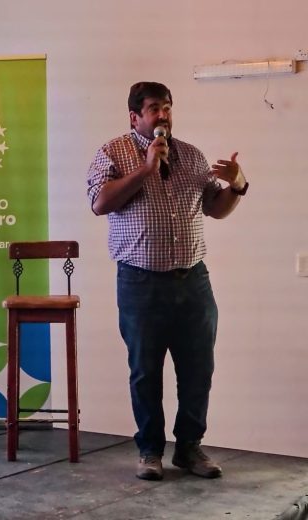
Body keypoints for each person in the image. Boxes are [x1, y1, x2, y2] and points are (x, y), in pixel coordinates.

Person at [86, 82, 248, 481]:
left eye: (168, 108)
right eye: (154, 108)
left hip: (193, 280)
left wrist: (239, 185)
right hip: (141, 283)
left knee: (199, 368)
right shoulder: (113, 152)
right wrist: (145, 169)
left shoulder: (190, 155)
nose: (163, 116)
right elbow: (99, 203)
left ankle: (190, 449)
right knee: (145, 370)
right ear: (135, 117)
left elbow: (215, 208)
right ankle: (150, 452)